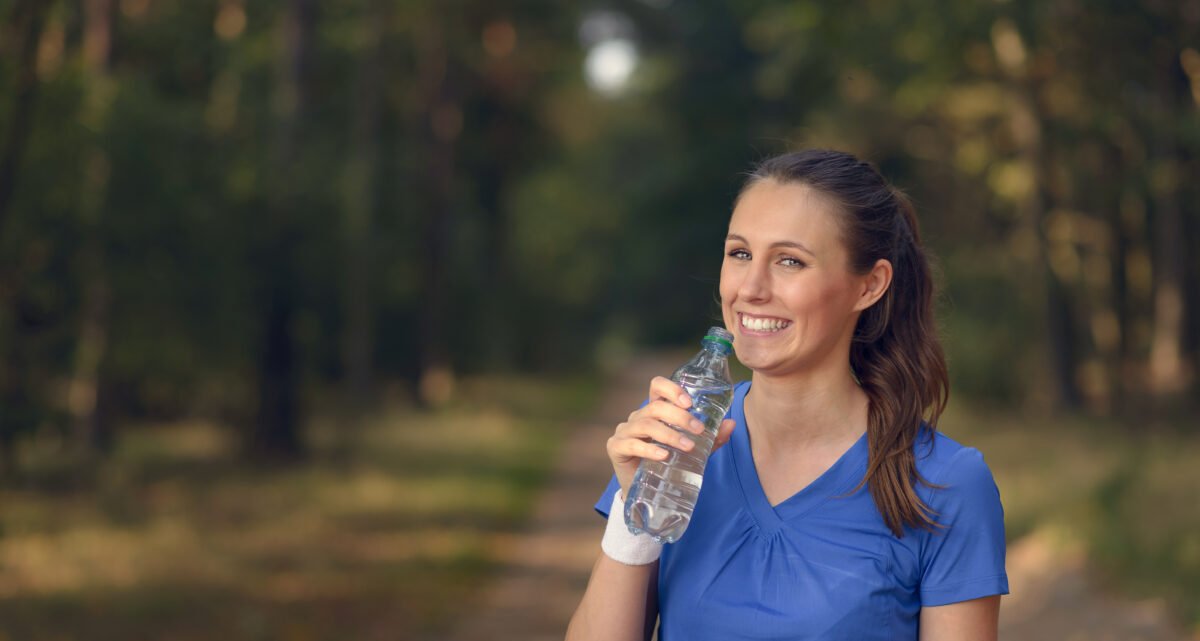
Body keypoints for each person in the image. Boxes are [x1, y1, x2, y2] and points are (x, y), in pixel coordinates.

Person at [566, 149, 1008, 641]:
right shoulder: (676, 440)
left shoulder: (945, 485)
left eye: (790, 261)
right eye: (739, 254)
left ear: (870, 285)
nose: (751, 288)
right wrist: (637, 513)